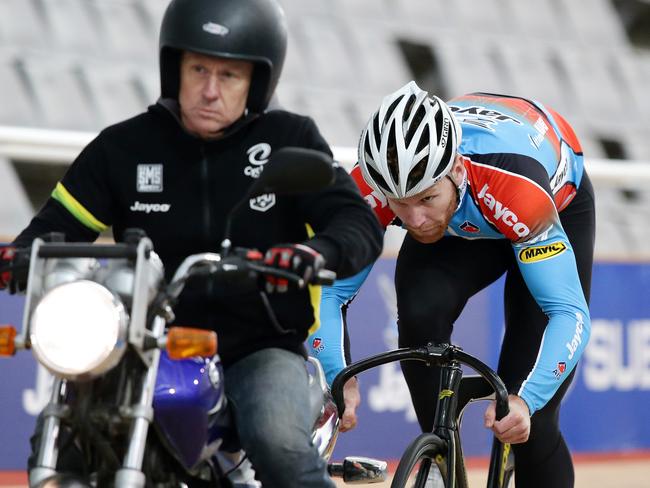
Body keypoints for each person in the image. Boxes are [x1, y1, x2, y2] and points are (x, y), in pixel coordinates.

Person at [0, 0, 383, 486]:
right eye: (198, 68)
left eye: (229, 75)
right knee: (72, 430)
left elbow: (356, 223)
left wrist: (315, 253)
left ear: (256, 83)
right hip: (139, 346)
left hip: (257, 347)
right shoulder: (123, 148)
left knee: (278, 443)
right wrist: (17, 256)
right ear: (173, 66)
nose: (209, 89)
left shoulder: (289, 140)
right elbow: (56, 226)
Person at [313, 81, 594, 487]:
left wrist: (526, 401)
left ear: (456, 170)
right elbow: (330, 290)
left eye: (425, 198)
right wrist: (338, 377)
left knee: (528, 423)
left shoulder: (515, 188)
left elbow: (568, 313)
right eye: (399, 204)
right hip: (463, 219)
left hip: (540, 201)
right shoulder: (374, 186)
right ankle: (438, 461)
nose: (413, 221)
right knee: (419, 313)